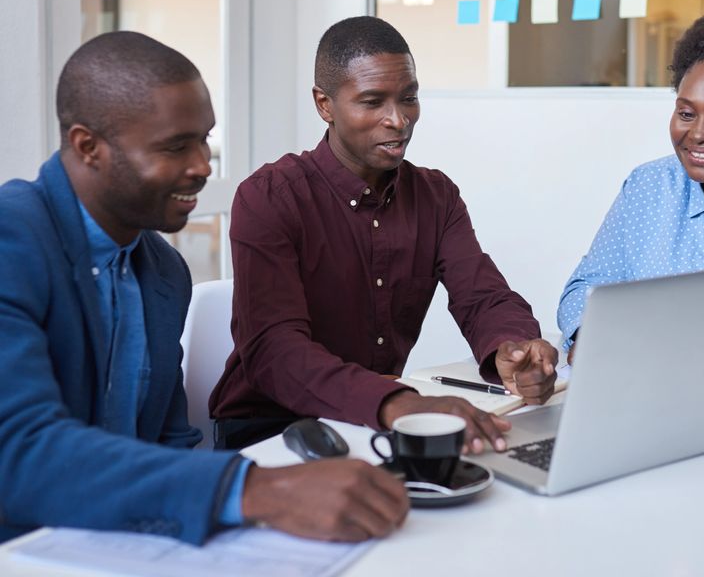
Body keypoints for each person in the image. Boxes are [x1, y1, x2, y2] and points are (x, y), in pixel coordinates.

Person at [0, 32, 408, 545]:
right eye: (175, 146)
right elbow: (17, 453)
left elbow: (169, 441)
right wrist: (255, 490)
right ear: (88, 147)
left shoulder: (162, 272)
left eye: (204, 140)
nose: (201, 167)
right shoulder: (12, 240)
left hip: (125, 539)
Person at [210, 16, 559, 452]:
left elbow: (482, 295)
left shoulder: (436, 196)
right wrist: (396, 403)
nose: (398, 120)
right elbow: (276, 354)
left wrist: (514, 348)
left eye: (409, 98)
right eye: (373, 102)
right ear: (324, 104)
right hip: (270, 428)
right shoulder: (269, 198)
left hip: (374, 422)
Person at [558, 7, 704, 363]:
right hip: (643, 387)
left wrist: (684, 347)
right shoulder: (648, 186)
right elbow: (585, 289)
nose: (697, 134)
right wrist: (590, 335)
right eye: (686, 113)